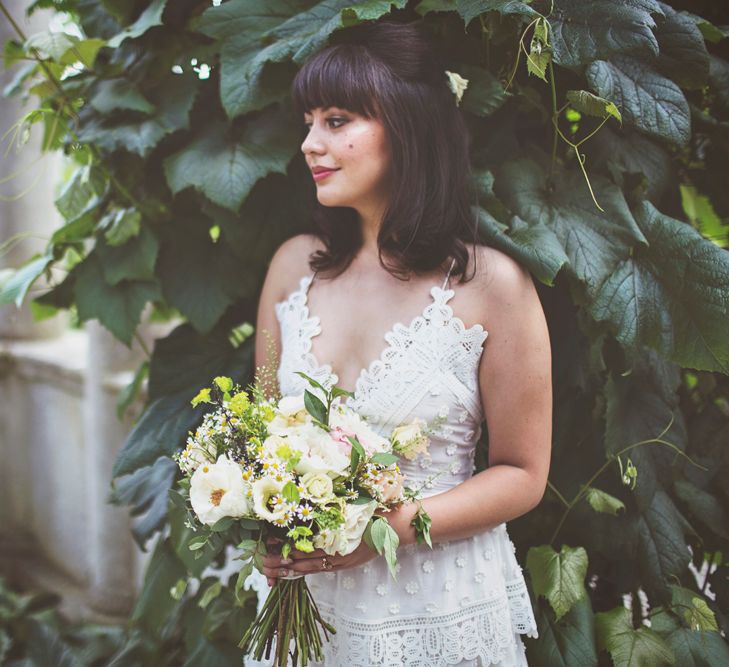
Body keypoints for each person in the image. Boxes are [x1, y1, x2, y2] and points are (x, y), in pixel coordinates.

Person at [252, 20, 551, 667]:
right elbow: (262, 435)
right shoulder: (290, 269)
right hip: (313, 605)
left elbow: (523, 474)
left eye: (336, 120)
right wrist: (264, 515)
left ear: (409, 127)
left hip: (437, 602)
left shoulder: (490, 285)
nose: (309, 142)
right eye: (308, 121)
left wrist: (389, 527)